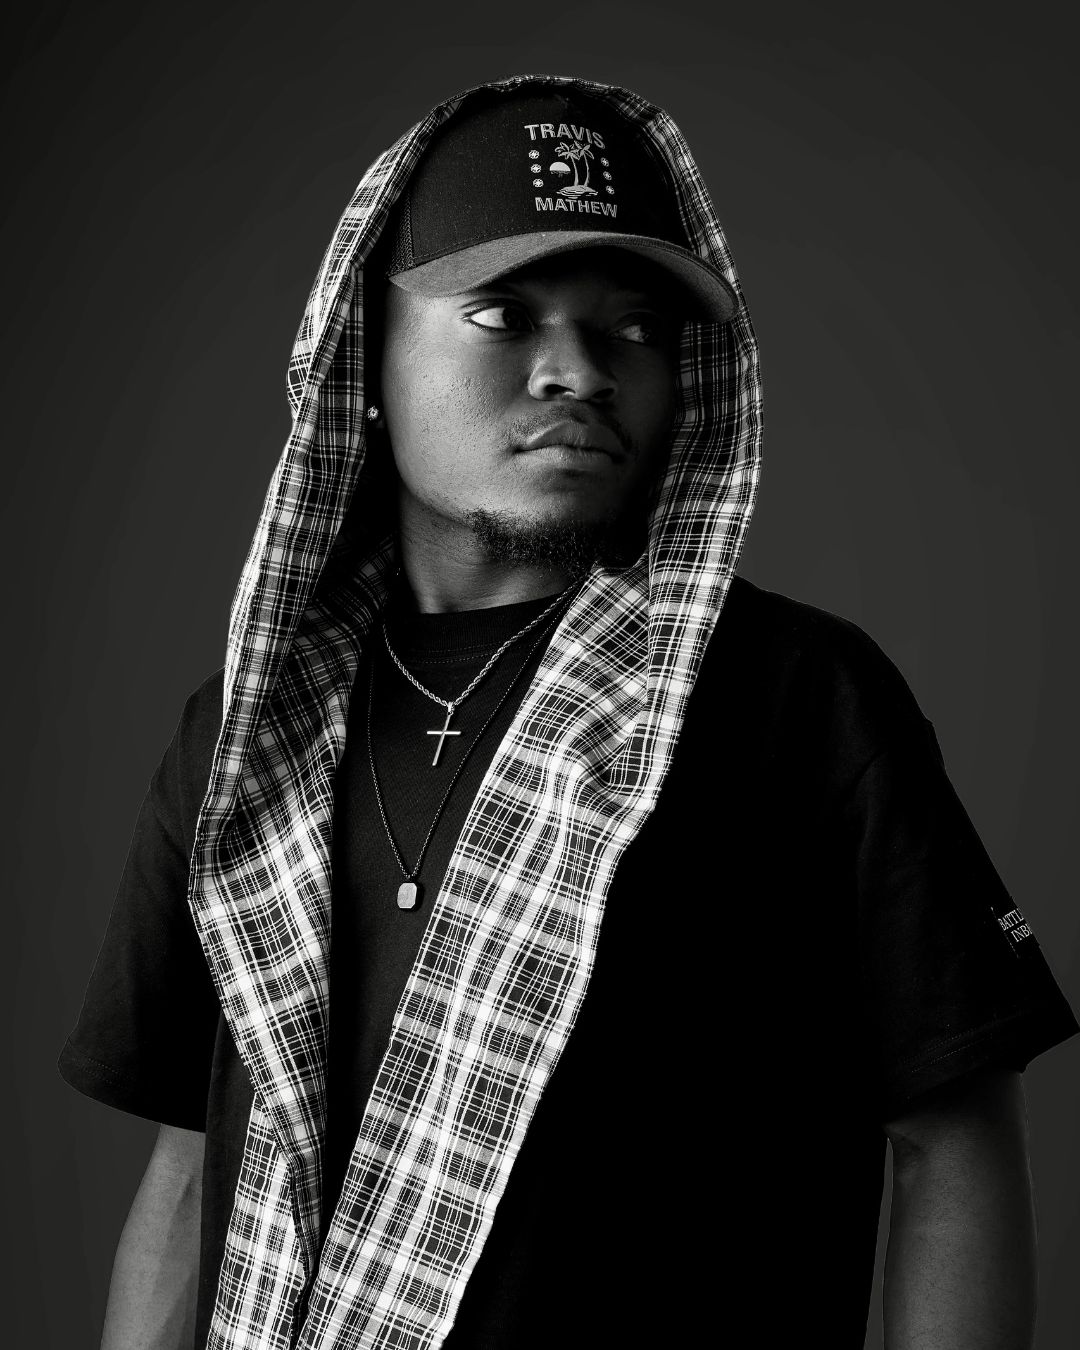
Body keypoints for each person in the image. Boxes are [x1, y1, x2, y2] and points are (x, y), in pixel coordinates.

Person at [60, 75, 1077, 1350]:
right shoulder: (254, 727)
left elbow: (954, 1141)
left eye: (633, 328)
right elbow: (191, 1164)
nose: (580, 373)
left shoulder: (798, 700)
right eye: (503, 313)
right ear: (363, 353)